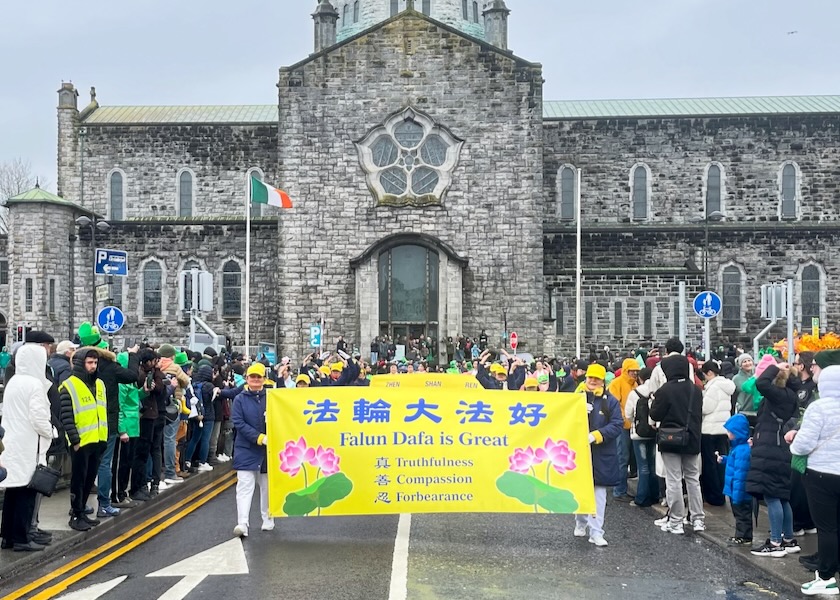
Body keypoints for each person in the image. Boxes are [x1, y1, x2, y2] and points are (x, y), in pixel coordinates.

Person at [789, 363, 840, 595]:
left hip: (821, 474)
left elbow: (804, 443)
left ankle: (827, 576)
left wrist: (794, 444)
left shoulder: (818, 407)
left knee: (827, 527)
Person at [0, 344, 54, 551]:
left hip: (12, 443)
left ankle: (8, 536)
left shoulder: (13, 381)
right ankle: (22, 539)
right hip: (28, 444)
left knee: (13, 492)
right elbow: (39, 417)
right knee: (27, 492)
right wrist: (51, 431)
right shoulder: (35, 384)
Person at [746, 358, 801, 557]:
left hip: (771, 451)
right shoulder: (792, 396)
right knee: (781, 496)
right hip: (781, 449)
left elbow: (761, 383)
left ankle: (776, 542)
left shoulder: (779, 395)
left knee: (771, 496)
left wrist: (774, 367)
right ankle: (788, 538)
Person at [649, 354, 705, 535]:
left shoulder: (665, 390)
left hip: (670, 440)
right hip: (692, 439)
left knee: (673, 481)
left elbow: (656, 415)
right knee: (693, 479)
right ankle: (697, 519)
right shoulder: (696, 390)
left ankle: (676, 521)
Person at [59, 347, 109, 532]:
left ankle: (82, 513)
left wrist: (103, 439)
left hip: (97, 440)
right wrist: (75, 440)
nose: (93, 366)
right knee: (78, 480)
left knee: (89, 480)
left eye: (95, 363)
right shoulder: (69, 385)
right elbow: (66, 416)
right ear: (81, 363)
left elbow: (102, 412)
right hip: (80, 441)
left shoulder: (100, 385)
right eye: (90, 363)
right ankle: (76, 514)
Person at [573, 363, 623, 547]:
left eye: (597, 378)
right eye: (590, 377)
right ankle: (580, 521)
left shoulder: (610, 401)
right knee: (580, 491)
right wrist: (578, 412)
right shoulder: (576, 397)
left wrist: (596, 436)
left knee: (599, 494)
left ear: (603, 380)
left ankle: (596, 531)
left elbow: (617, 424)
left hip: (602, 453)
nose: (593, 381)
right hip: (579, 452)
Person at [232, 362, 272, 537]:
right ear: (247, 378)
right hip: (246, 448)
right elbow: (238, 423)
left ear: (264, 378)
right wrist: (259, 437)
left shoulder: (272, 397)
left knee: (267, 487)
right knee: (245, 486)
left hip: (267, 450)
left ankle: (268, 518)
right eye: (252, 377)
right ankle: (243, 523)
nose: (255, 380)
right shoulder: (239, 399)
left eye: (259, 377)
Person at [700, 361, 735, 506]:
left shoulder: (713, 387)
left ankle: (714, 496)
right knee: (721, 462)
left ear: (709, 373)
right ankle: (721, 493)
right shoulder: (726, 386)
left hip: (710, 430)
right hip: (723, 429)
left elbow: (705, 408)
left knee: (710, 464)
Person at [624, 368, 659, 507]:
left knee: (643, 466)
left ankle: (642, 498)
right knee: (653, 464)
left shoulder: (635, 393)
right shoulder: (657, 391)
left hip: (639, 434)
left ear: (640, 378)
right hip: (655, 432)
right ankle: (655, 495)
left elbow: (628, 414)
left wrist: (635, 422)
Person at [717, 414, 753, 546]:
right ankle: (741, 535)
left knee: (742, 515)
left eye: (730, 432)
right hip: (736, 489)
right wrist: (724, 460)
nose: (728, 434)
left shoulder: (741, 450)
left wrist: (737, 495)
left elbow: (740, 475)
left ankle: (744, 536)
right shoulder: (739, 448)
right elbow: (735, 465)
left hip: (738, 491)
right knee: (740, 514)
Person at [608, 358, 639, 502]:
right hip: (621, 426)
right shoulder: (616, 383)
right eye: (632, 371)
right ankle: (619, 490)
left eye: (636, 371)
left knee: (628, 458)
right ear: (626, 370)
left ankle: (622, 489)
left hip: (632, 425)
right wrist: (623, 419)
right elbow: (614, 404)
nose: (635, 373)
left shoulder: (635, 385)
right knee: (622, 457)